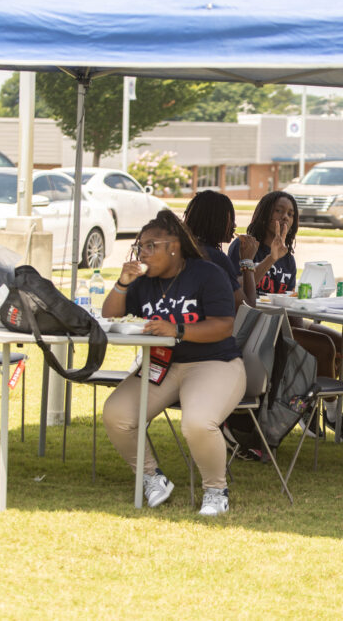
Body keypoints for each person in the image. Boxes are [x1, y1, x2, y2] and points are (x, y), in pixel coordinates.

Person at [101, 210, 246, 516]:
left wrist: (178, 330)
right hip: (162, 365)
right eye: (140, 246)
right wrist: (122, 283)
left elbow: (224, 326)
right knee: (117, 414)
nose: (143, 253)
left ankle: (216, 491)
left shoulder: (207, 274)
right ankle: (151, 477)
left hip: (214, 362)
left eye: (151, 246)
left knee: (198, 423)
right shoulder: (143, 282)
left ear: (174, 247)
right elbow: (111, 316)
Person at [226, 191, 343, 443]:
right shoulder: (246, 245)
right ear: (265, 213)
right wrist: (270, 258)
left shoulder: (288, 257)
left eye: (290, 214)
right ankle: (324, 412)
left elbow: (287, 301)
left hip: (282, 320)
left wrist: (299, 327)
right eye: (279, 211)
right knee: (324, 346)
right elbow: (237, 291)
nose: (285, 218)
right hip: (257, 325)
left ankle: (310, 403)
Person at [183, 190, 257, 310]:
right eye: (230, 219)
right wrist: (247, 261)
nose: (234, 225)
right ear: (215, 221)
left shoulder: (180, 250)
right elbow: (247, 308)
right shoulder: (215, 258)